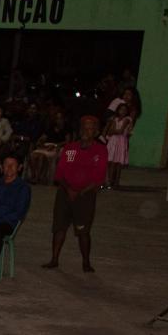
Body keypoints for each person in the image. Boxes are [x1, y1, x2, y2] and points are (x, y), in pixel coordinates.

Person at [46, 116, 108, 273]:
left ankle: (86, 262)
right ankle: (54, 259)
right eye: (84, 127)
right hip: (65, 192)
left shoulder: (100, 150)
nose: (86, 131)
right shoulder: (70, 148)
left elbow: (98, 178)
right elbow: (60, 173)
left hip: (85, 195)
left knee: (83, 231)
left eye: (90, 128)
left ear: (96, 131)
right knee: (59, 227)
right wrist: (69, 190)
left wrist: (80, 192)